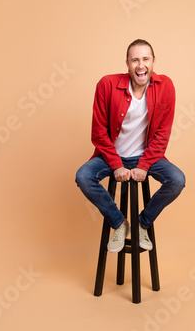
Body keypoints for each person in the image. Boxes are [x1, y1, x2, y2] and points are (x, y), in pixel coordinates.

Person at [76, 39, 185, 253]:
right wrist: (116, 165)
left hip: (147, 157)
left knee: (177, 180)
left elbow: (162, 135)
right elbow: (98, 132)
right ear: (127, 64)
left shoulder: (166, 87)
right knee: (83, 176)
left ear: (154, 62)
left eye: (145, 59)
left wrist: (144, 165)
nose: (140, 65)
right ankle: (119, 223)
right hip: (110, 156)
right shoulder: (107, 85)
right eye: (135, 60)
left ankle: (141, 223)